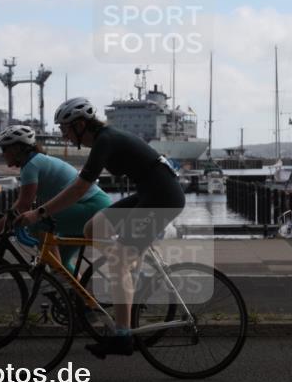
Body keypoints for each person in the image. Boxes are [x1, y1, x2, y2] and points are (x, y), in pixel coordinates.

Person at [17, 98, 185, 358]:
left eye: (66, 129)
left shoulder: (105, 140)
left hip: (162, 198)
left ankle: (122, 336)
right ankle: (129, 276)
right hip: (148, 194)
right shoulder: (103, 140)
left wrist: (40, 212)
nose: (64, 135)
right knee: (93, 228)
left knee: (117, 261)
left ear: (81, 125)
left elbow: (79, 188)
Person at [0, 125, 111, 274]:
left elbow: (23, 206)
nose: (2, 154)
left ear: (16, 149)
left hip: (91, 206)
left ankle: (56, 277)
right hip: (94, 206)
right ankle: (72, 294)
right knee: (61, 261)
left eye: (4, 149)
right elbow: (22, 202)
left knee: (37, 222)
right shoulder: (37, 162)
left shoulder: (31, 166)